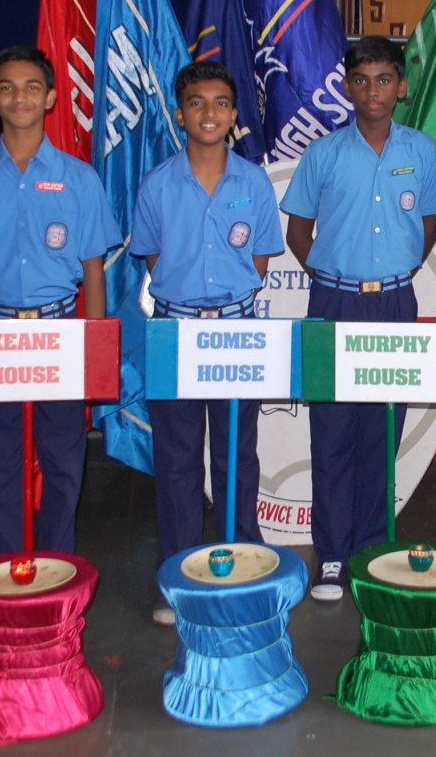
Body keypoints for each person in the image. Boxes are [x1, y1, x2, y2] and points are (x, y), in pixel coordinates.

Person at [0, 45, 122, 555]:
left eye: (32, 87)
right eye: (7, 88)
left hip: (59, 330)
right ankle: (12, 563)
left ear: (50, 97)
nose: (20, 98)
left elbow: (93, 272)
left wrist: (93, 346)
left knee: (63, 461)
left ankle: (57, 564)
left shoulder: (79, 179)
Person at [281, 36, 436, 601]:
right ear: (348, 87)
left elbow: (429, 225)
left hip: (395, 305)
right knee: (331, 432)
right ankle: (331, 555)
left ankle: (373, 549)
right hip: (334, 304)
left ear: (401, 85)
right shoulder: (323, 154)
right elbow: (297, 233)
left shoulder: (422, 152)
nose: (372, 90)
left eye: (383, 79)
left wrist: (396, 272)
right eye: (361, 80)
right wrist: (335, 277)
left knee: (383, 430)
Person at [130, 60, 284, 625]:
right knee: (176, 460)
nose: (209, 113)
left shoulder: (253, 183)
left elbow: (260, 261)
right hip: (175, 331)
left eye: (221, 102)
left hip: (237, 330)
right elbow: (153, 258)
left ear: (235, 113)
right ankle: (178, 575)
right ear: (180, 114)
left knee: (237, 453)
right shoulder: (157, 184)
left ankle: (240, 561)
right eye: (197, 103)